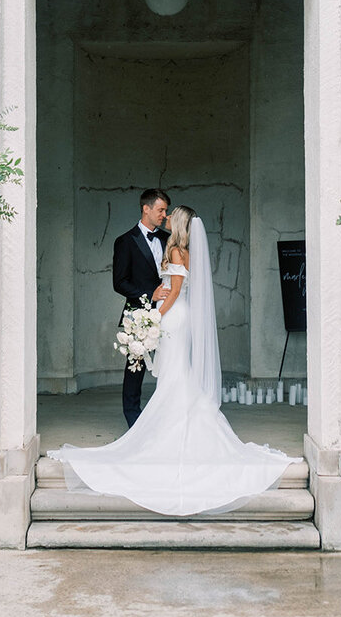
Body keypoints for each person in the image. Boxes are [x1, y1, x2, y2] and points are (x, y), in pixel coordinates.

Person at [49, 206, 301, 516]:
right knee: (175, 374)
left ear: (179, 224)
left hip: (173, 317)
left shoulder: (179, 252)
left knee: (174, 376)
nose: (166, 219)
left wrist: (155, 316)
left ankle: (173, 432)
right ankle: (177, 426)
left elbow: (176, 290)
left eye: (171, 217)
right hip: (177, 317)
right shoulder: (183, 251)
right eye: (163, 214)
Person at [111, 189, 171, 427]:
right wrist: (149, 295)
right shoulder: (125, 241)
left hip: (170, 309)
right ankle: (133, 420)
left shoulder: (168, 239)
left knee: (171, 361)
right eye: (161, 210)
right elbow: (119, 282)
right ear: (146, 208)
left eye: (165, 211)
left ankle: (168, 416)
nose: (164, 215)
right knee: (135, 367)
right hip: (139, 312)